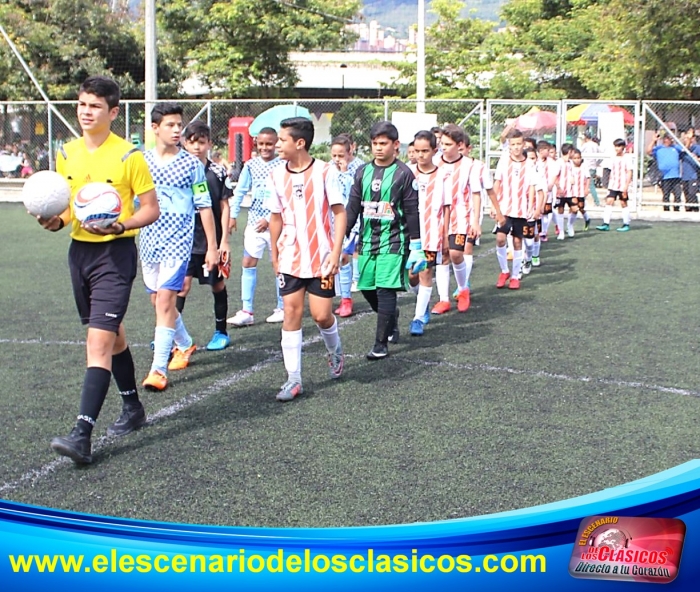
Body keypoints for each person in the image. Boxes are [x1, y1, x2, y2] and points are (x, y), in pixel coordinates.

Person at [37, 75, 159, 464]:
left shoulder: (129, 156)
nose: (86, 111)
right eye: (82, 104)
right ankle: (133, 408)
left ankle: (81, 435)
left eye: (95, 106)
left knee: (98, 343)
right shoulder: (67, 153)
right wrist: (54, 221)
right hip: (80, 255)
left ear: (113, 112)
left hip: (115, 255)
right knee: (115, 336)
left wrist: (121, 225)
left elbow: (150, 209)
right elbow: (69, 209)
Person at [140, 102, 219, 392]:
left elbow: (205, 206)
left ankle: (158, 370)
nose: (177, 130)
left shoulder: (191, 165)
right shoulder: (141, 162)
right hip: (148, 242)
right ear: (155, 128)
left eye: (179, 125)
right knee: (158, 303)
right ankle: (184, 344)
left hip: (178, 243)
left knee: (164, 302)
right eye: (170, 125)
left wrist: (212, 247)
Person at [267, 117, 346, 401]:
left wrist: (336, 253)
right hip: (290, 256)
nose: (277, 145)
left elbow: (339, 212)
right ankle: (293, 379)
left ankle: (335, 349)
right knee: (291, 312)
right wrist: (275, 254)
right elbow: (275, 216)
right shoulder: (276, 175)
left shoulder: (325, 172)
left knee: (322, 315)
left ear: (299, 143)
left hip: (321, 258)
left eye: (282, 140)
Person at [345, 121, 421, 360]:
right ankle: (392, 318)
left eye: (383, 143)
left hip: (395, 242)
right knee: (367, 288)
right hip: (367, 242)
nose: (378, 148)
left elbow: (411, 211)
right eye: (375, 144)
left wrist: (416, 246)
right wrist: (340, 237)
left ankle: (380, 344)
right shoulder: (362, 172)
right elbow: (352, 207)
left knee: (385, 290)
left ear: (395, 145)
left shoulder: (404, 174)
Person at [180, 120, 232, 350]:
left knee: (217, 285)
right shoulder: (177, 168)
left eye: (201, 142)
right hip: (184, 240)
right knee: (181, 286)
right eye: (192, 143)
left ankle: (221, 332)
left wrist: (223, 242)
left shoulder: (217, 171)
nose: (196, 147)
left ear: (209, 143)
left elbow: (224, 206)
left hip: (211, 241)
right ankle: (171, 332)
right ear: (184, 143)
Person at [227, 127, 285, 326]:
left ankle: (282, 307)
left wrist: (270, 219)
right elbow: (241, 190)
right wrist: (233, 216)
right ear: (256, 144)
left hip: (277, 224)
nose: (265, 148)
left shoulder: (283, 165)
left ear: (276, 143)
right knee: (248, 262)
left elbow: (286, 196)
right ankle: (247, 311)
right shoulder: (250, 165)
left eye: (269, 144)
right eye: (261, 144)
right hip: (254, 223)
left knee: (279, 265)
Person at [409, 130, 449, 336]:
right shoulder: (407, 172)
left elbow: (447, 207)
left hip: (433, 233)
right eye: (417, 151)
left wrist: (445, 236)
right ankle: (422, 303)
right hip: (411, 234)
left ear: (435, 150)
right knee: (411, 276)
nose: (421, 155)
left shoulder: (442, 174)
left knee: (426, 272)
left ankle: (418, 318)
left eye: (425, 151)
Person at [493, 130, 537, 290]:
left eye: (519, 144)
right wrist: (494, 205)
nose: (516, 147)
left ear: (523, 144)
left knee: (518, 241)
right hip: (505, 207)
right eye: (513, 145)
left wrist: (531, 205)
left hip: (521, 209)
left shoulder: (530, 163)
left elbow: (532, 186)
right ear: (509, 146)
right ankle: (504, 271)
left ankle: (515, 276)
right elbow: (497, 182)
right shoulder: (504, 160)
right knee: (500, 238)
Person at [330, 135, 356, 317]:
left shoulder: (359, 168)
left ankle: (347, 300)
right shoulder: (328, 169)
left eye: (341, 155)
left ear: (350, 152)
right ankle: (339, 296)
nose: (337, 159)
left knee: (345, 256)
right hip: (332, 221)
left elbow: (353, 193)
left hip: (352, 221)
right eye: (334, 155)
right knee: (335, 258)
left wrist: (345, 172)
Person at [597, 138, 633, 232]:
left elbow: (629, 172)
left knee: (623, 203)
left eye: (619, 146)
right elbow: (609, 170)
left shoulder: (627, 158)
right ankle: (606, 223)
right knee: (609, 201)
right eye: (615, 146)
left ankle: (626, 223)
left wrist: (626, 186)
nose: (616, 148)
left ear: (623, 147)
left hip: (622, 185)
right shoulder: (613, 157)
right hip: (613, 185)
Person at [646, 132, 681, 212]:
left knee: (677, 194)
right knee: (666, 194)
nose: (670, 140)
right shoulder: (659, 148)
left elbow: (685, 149)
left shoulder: (675, 148)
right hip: (664, 176)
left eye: (671, 139)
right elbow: (648, 151)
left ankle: (676, 209)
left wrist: (688, 139)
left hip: (675, 175)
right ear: (664, 139)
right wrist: (653, 141)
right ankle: (666, 210)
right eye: (668, 138)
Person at [554, 143, 577, 239]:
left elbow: (572, 174)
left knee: (575, 209)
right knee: (560, 210)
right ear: (569, 152)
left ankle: (570, 225)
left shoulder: (570, 163)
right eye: (572, 151)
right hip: (561, 191)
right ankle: (561, 232)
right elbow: (555, 176)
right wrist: (559, 188)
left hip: (570, 191)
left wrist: (573, 179)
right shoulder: (559, 162)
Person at [568, 148, 592, 231]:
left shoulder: (584, 167)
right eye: (575, 158)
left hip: (581, 191)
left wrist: (586, 188)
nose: (577, 160)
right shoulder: (570, 166)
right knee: (573, 208)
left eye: (578, 158)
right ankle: (570, 225)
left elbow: (588, 178)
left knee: (581, 207)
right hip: (572, 191)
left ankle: (587, 219)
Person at [679, 129, 700, 213]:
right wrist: (687, 141)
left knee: (692, 193)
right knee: (686, 194)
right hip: (684, 176)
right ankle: (688, 210)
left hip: (693, 175)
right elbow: (682, 153)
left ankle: (695, 209)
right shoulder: (683, 148)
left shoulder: (697, 148)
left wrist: (697, 158)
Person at [580, 133, 601, 205]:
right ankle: (583, 199)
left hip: (587, 166)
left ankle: (597, 201)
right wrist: (597, 163)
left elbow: (579, 152)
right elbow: (601, 156)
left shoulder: (585, 145)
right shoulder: (595, 145)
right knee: (588, 184)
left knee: (590, 185)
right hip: (593, 166)